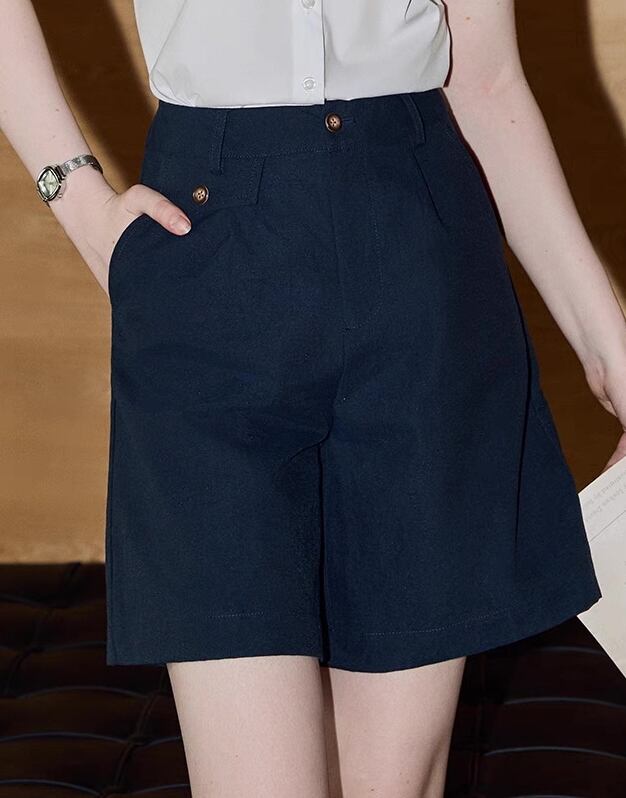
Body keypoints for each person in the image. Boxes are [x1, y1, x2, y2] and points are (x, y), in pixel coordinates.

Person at [2, 0, 622, 795]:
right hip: (210, 255)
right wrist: (80, 201)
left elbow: (486, 77)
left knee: (395, 784)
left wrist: (611, 353)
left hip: (421, 260)